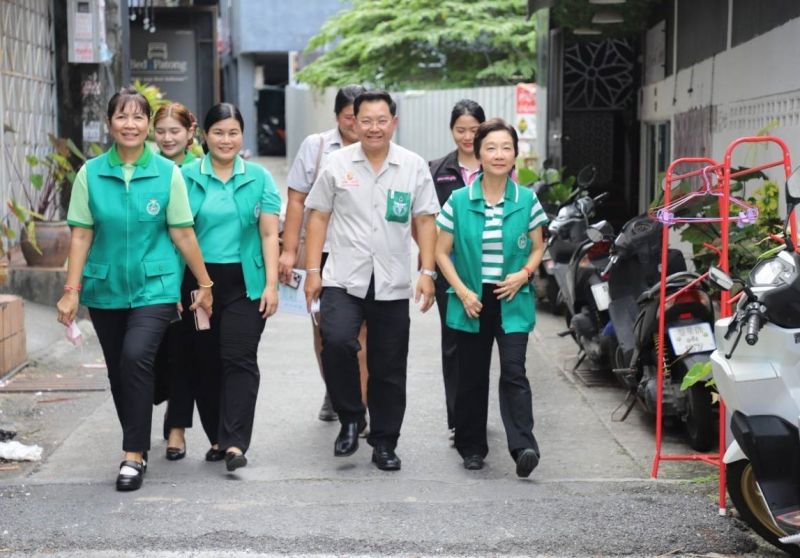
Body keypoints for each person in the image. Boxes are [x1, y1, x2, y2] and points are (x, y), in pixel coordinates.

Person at [55, 87, 214, 492]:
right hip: (105, 287)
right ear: (110, 124)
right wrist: (71, 289)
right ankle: (138, 443)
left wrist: (204, 282)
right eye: (122, 117)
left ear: (148, 125)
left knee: (135, 355)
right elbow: (80, 237)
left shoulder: (167, 173)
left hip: (156, 287)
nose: (131, 124)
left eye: (138, 117)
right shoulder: (90, 173)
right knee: (118, 370)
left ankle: (133, 454)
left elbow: (182, 231)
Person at [304, 90, 440, 471]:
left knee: (388, 365)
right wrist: (313, 271)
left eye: (382, 121)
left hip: (392, 280)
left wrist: (427, 273)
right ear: (353, 122)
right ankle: (350, 416)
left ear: (393, 123)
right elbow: (317, 216)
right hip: (343, 278)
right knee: (335, 341)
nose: (374, 128)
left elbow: (426, 220)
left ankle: (384, 442)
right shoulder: (336, 163)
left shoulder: (412, 166)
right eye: (366, 120)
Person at [434, 118, 548, 478]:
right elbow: (441, 252)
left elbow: (538, 245)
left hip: (512, 295)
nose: (499, 155)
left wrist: (525, 273)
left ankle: (523, 446)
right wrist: (463, 291)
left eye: (506, 148)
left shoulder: (527, 199)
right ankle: (472, 447)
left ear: (515, 154)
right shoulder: (458, 200)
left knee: (514, 371)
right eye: (491, 148)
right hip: (472, 298)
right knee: (471, 374)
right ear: (478, 153)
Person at [180, 102, 281, 472]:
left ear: (242, 135)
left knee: (239, 358)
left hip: (245, 282)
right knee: (204, 363)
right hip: (196, 283)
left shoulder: (259, 178)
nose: (226, 139)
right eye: (218, 132)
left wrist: (271, 285)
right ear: (204, 136)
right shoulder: (185, 176)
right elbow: (178, 231)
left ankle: (236, 442)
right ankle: (217, 437)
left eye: (233, 132)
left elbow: (270, 233)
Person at [278, 85, 367, 423]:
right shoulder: (316, 147)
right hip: (322, 253)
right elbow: (297, 199)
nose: (358, 126)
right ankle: (334, 388)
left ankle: (359, 402)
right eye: (349, 119)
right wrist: (289, 251)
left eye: (362, 119)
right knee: (325, 331)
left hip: (362, 253)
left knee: (362, 333)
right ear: (337, 117)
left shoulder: (379, 148)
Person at [428, 99, 486, 441]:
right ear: (452, 130)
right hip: (447, 270)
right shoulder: (437, 170)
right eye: (461, 130)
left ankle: (474, 412)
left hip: (490, 270)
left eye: (474, 130)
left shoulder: (497, 164)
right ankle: (457, 419)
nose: (468, 137)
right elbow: (426, 222)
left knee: (482, 343)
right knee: (453, 344)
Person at [151, 102, 200, 460]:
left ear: (190, 132)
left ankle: (176, 429)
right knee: (148, 354)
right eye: (162, 130)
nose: (168, 138)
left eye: (175, 131)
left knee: (184, 354)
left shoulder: (199, 172)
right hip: (149, 275)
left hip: (189, 277)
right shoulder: (148, 169)